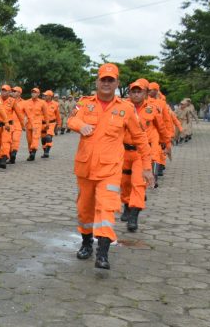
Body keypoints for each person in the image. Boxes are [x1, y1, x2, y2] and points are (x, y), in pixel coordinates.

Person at [67, 63, 153, 270]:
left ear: (117, 83)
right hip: (85, 167)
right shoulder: (84, 104)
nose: (106, 83)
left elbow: (141, 138)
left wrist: (147, 167)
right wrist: (81, 126)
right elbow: (71, 120)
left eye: (110, 80)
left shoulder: (125, 109)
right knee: (84, 209)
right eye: (103, 80)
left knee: (106, 208)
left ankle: (103, 252)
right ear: (97, 82)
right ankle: (86, 243)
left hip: (110, 170)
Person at [120, 79, 164, 232]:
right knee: (124, 183)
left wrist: (165, 142)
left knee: (138, 183)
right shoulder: (122, 107)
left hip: (142, 153)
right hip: (123, 152)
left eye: (139, 91)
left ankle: (134, 215)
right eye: (134, 91)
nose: (136, 94)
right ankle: (126, 204)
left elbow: (161, 127)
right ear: (129, 93)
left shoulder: (152, 110)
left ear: (145, 93)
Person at [21, 87, 49, 161]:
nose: (33, 94)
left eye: (35, 92)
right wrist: (22, 123)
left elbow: (46, 114)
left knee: (35, 138)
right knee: (29, 140)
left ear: (38, 94)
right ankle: (31, 152)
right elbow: (21, 113)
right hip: (28, 123)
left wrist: (47, 124)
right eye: (32, 92)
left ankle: (33, 152)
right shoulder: (26, 102)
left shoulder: (42, 102)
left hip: (37, 123)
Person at [6, 86, 30, 164]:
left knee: (15, 140)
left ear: (19, 93)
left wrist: (27, 124)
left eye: (15, 91)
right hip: (8, 124)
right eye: (12, 91)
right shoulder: (7, 101)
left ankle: (13, 155)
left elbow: (28, 114)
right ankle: (9, 155)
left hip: (18, 125)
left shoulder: (24, 103)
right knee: (8, 141)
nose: (12, 92)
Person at [42, 90, 60, 158]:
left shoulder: (55, 104)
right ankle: (45, 152)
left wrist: (59, 124)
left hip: (51, 123)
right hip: (42, 123)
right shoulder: (41, 103)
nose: (44, 96)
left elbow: (58, 115)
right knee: (43, 139)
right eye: (44, 95)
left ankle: (47, 152)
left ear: (50, 96)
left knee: (48, 136)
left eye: (46, 95)